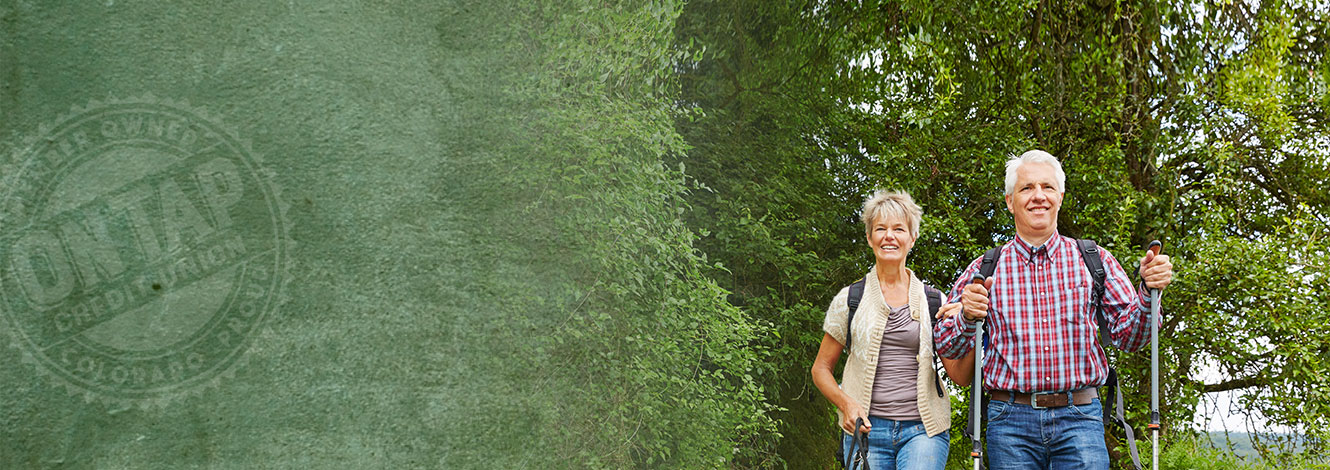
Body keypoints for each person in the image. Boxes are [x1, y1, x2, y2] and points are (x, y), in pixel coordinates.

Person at [933, 150, 1175, 470]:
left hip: (1080, 418)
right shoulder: (984, 269)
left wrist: (1148, 291)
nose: (1038, 196)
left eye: (1047, 187)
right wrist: (966, 316)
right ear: (1010, 201)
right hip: (1009, 422)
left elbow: (1132, 337)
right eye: (1026, 188)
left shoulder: (1094, 260)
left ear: (1060, 197)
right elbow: (947, 345)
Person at [811, 190, 974, 470]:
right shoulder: (850, 299)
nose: (889, 236)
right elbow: (820, 369)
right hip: (866, 432)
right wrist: (846, 404)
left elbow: (960, 377)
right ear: (869, 237)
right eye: (880, 229)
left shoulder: (935, 301)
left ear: (912, 238)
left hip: (924, 432)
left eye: (899, 229)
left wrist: (969, 323)